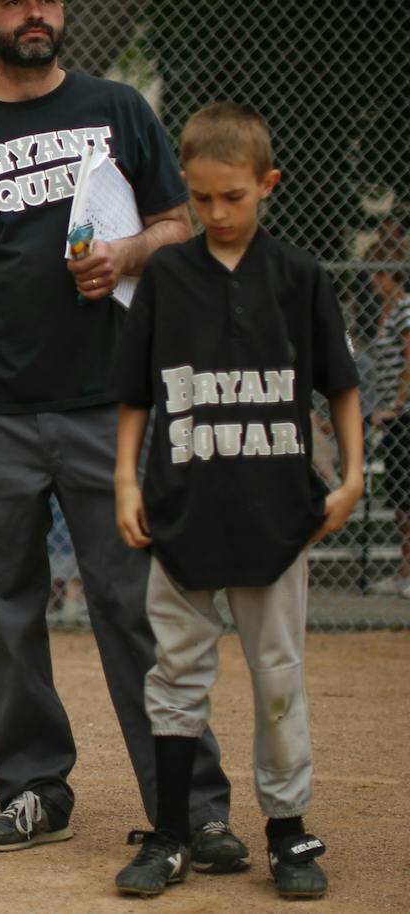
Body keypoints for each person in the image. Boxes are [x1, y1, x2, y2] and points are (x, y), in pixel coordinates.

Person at [0, 0, 242, 862]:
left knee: (134, 607)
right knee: (5, 609)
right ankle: (35, 789)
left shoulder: (118, 108)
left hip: (107, 405)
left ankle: (192, 804)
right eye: (14, 3)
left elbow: (178, 222)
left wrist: (128, 256)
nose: (34, 13)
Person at [110, 102, 362, 900]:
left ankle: (288, 833)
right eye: (204, 198)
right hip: (182, 507)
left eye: (235, 197)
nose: (218, 213)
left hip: (275, 513)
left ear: (267, 185)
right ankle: (174, 833)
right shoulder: (167, 278)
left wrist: (353, 474)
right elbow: (135, 397)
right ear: (185, 188)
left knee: (277, 672)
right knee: (176, 675)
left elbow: (343, 386)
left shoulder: (300, 277)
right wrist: (125, 480)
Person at [363, 235, 410, 596]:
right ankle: (405, 569)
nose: (371, 283)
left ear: (385, 274)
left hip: (404, 413)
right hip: (393, 415)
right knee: (398, 495)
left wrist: (397, 403)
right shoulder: (388, 313)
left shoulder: (406, 308)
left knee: (406, 493)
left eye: (375, 274)